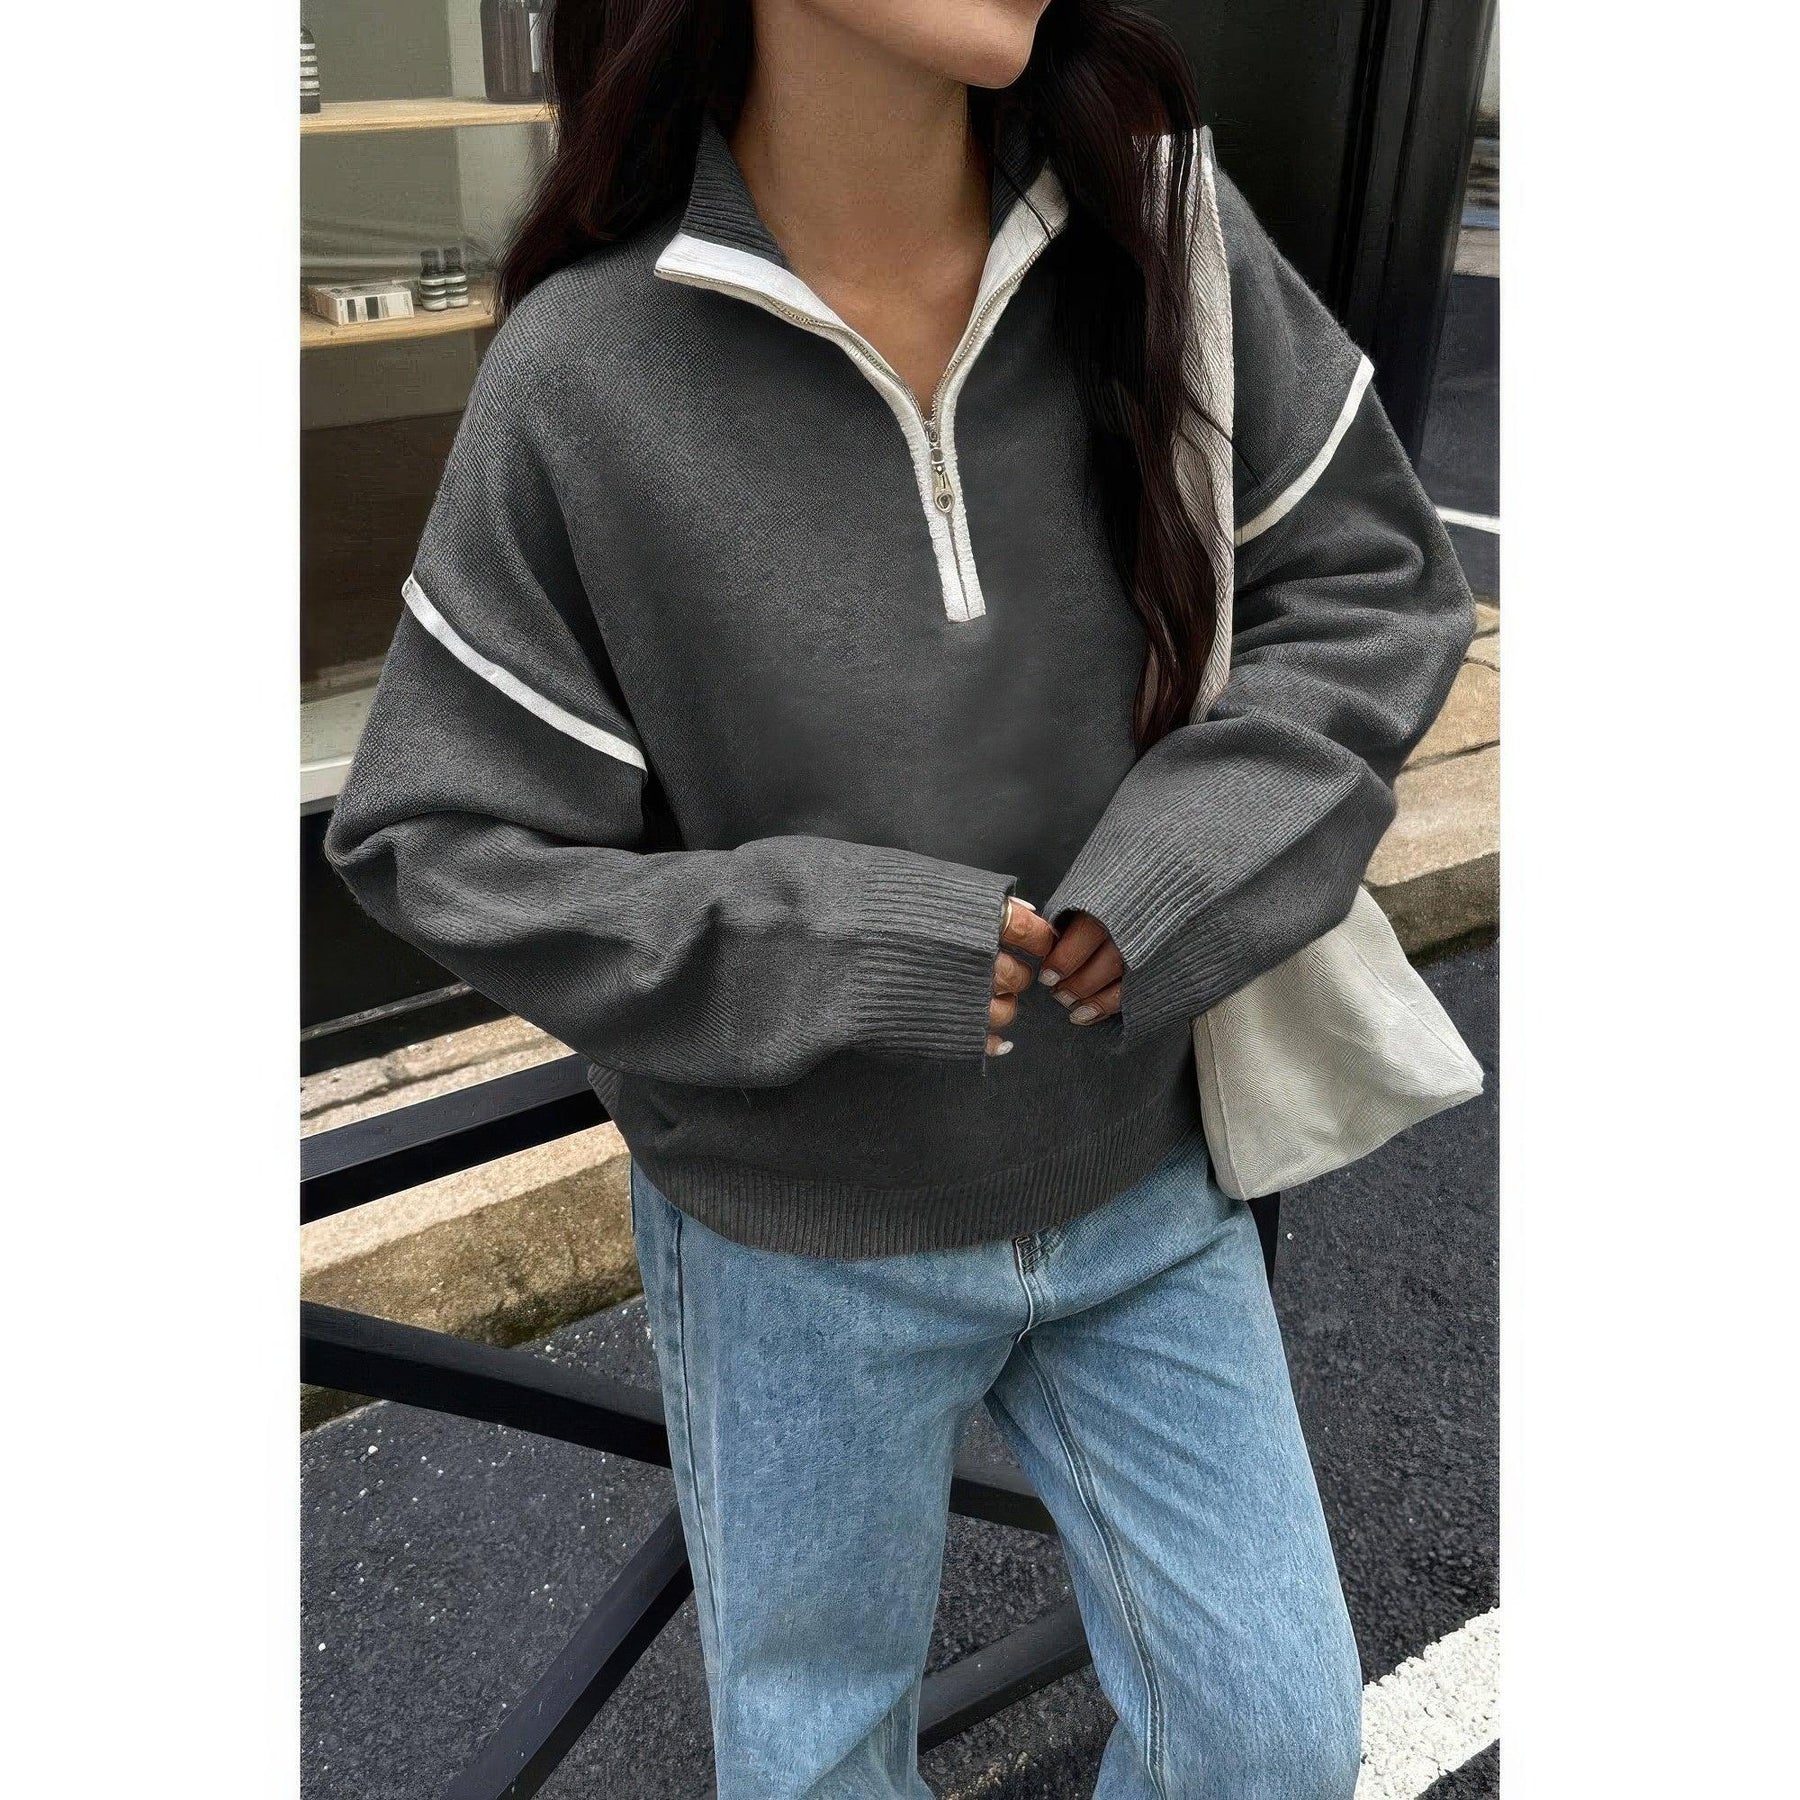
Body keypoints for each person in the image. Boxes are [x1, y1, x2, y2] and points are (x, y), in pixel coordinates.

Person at [324, 1, 1475, 1793]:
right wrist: (832, 946)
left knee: (1269, 1735)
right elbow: (440, 835)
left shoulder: (1163, 247)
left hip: (1144, 1179)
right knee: (818, 1761)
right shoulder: (586, 373)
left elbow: (1373, 588)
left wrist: (1189, 859)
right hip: (792, 1244)